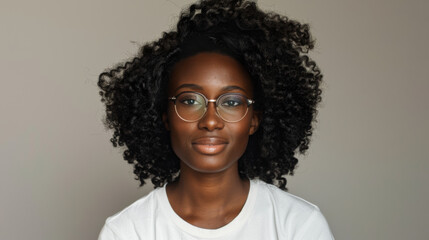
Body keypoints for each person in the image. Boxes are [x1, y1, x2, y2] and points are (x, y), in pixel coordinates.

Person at [97, 0, 334, 239]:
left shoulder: (299, 225)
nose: (210, 121)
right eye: (190, 101)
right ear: (166, 117)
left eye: (231, 102)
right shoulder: (128, 231)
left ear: (254, 120)